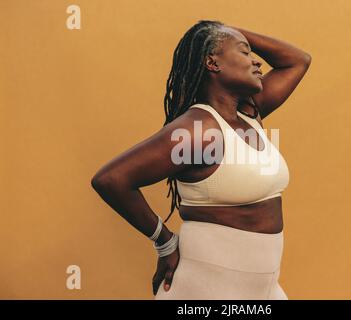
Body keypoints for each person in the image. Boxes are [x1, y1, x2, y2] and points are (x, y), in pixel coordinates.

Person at [91, 19, 311, 300]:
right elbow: (112, 180)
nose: (257, 63)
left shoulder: (249, 115)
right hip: (208, 289)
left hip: (262, 290)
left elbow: (297, 61)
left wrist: (228, 30)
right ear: (212, 63)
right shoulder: (200, 130)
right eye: (245, 53)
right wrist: (165, 242)